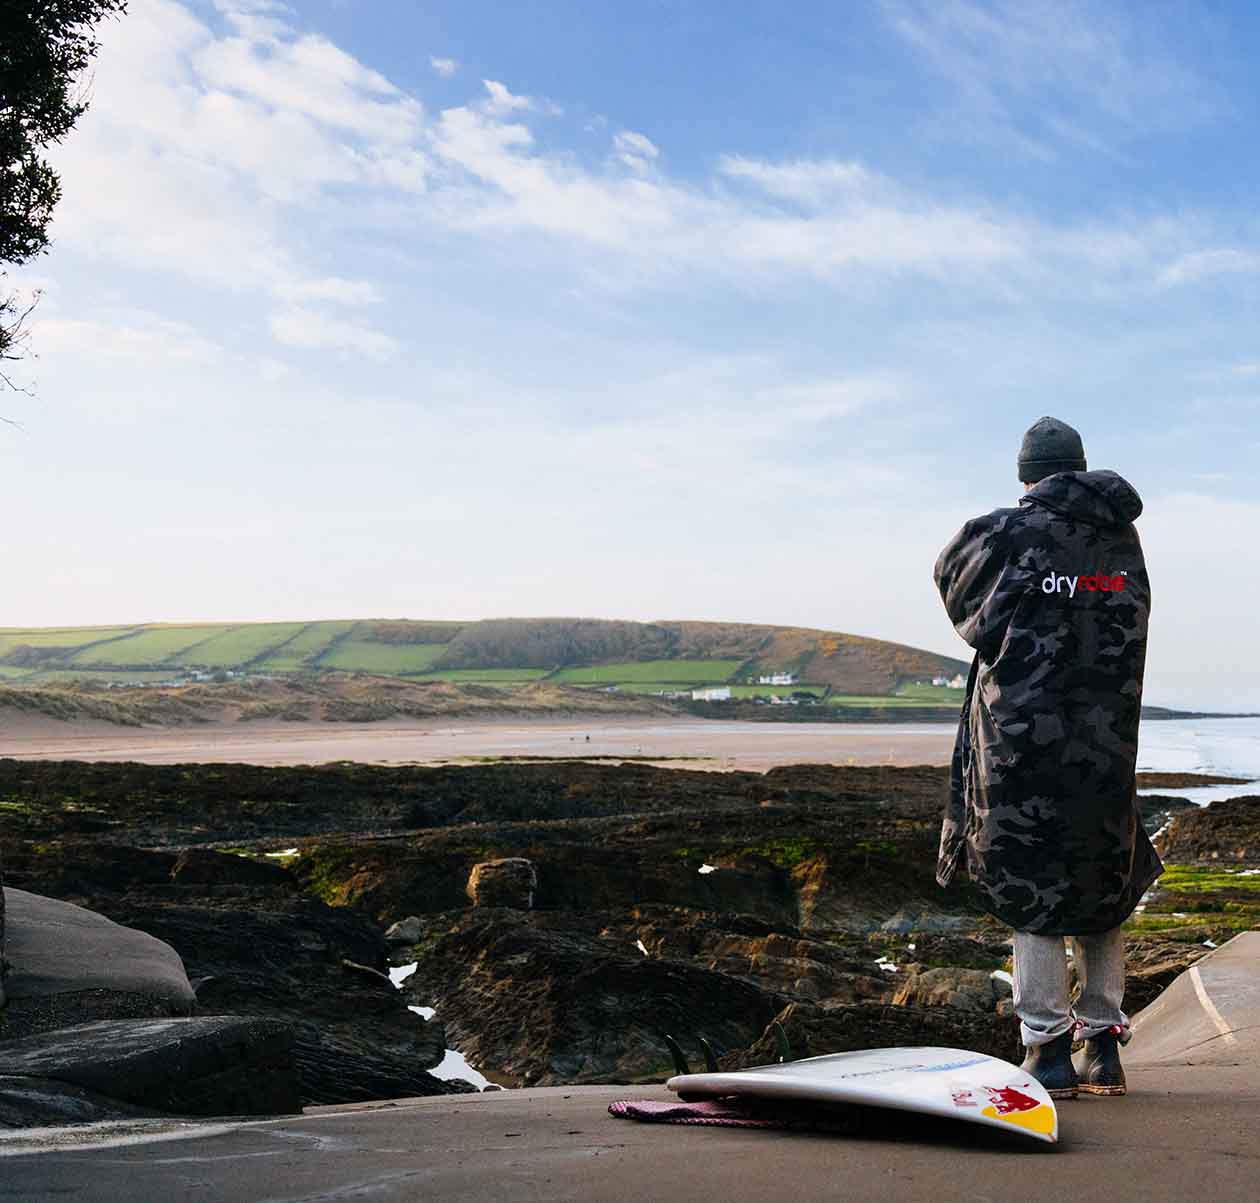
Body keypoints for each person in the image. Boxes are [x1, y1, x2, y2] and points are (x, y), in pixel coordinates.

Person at [932, 416, 1163, 1099]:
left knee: (1032, 887)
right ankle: (1104, 1045)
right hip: (1106, 739)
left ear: (1028, 477)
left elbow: (951, 574)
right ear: (1082, 467)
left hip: (1022, 743)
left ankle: (1049, 1048)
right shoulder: (1121, 537)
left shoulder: (1008, 533)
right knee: (1102, 882)